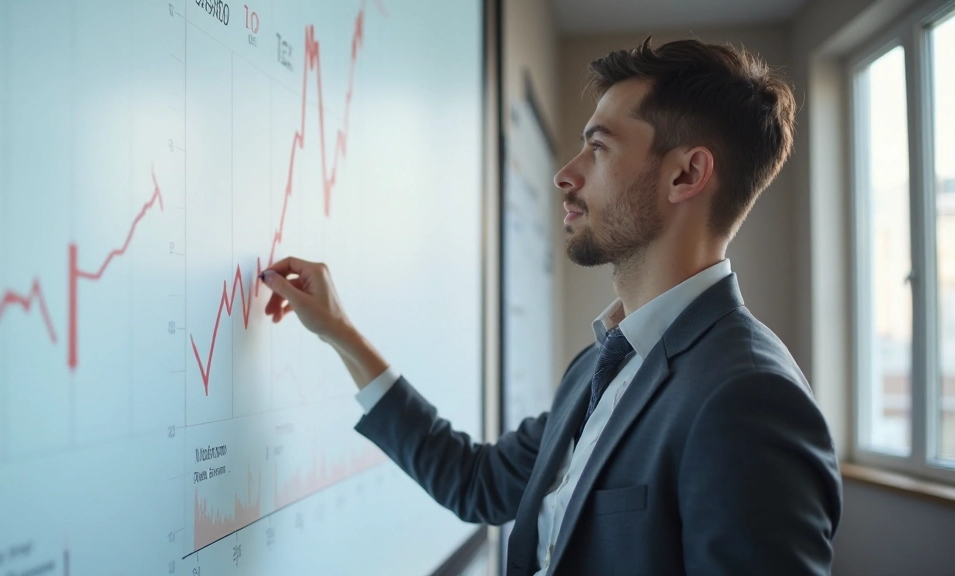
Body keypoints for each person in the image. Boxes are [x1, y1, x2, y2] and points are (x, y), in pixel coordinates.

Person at [260, 37, 841, 576]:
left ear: (686, 174)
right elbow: (478, 483)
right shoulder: (598, 367)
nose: (566, 174)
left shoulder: (749, 397)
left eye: (598, 147)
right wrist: (340, 333)